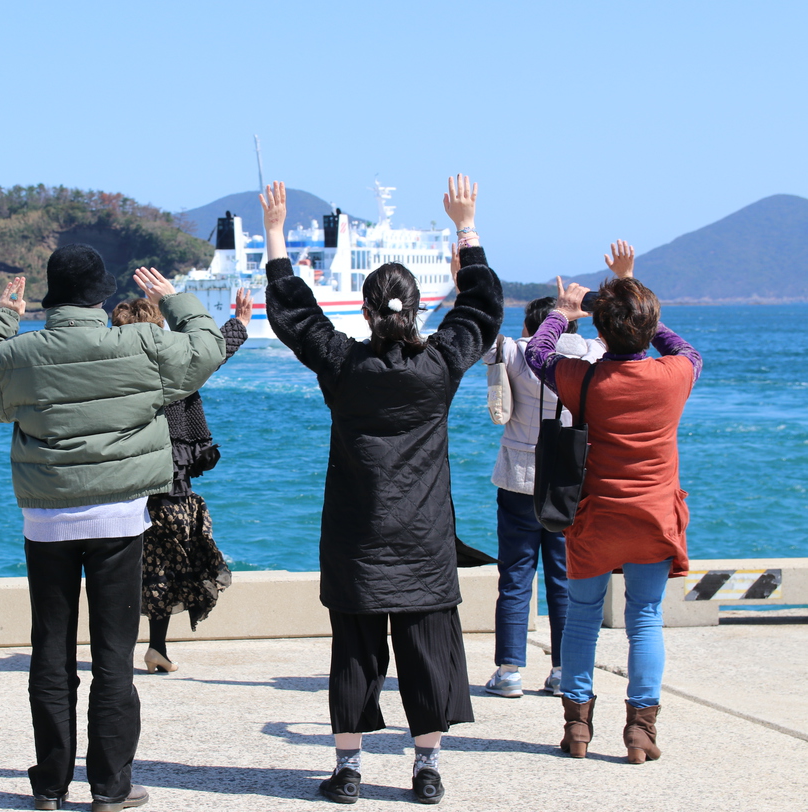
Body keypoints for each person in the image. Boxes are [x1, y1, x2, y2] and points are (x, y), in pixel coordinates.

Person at [0, 245, 225, 812]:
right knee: (113, 657)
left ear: (50, 297)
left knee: (50, 653)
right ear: (101, 295)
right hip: (120, 519)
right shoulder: (141, 343)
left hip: (46, 520)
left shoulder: (22, 353)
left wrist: (1, 317)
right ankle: (110, 787)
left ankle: (50, 786)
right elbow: (207, 349)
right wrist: (173, 299)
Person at [262, 177, 503, 805]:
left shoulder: (344, 365)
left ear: (367, 313)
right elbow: (482, 310)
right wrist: (466, 229)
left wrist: (275, 236)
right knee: (427, 652)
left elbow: (296, 316)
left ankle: (348, 770)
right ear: (417, 309)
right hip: (424, 540)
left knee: (354, 654)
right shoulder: (440, 365)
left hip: (357, 540)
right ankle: (427, 769)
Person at [524, 239, 701, 764]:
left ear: (600, 332)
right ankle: (640, 732)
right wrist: (631, 292)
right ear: (647, 326)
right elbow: (682, 348)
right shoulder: (675, 376)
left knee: (581, 617)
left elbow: (537, 353)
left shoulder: (587, 379)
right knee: (645, 618)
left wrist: (562, 312)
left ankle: (577, 728)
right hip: (653, 517)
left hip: (595, 518)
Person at [110, 289, 251, 673]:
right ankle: (156, 647)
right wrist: (239, 324)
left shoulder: (111, 371)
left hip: (123, 483)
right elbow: (211, 354)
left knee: (125, 571)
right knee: (166, 568)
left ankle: (124, 652)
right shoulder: (173, 367)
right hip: (170, 484)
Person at [482, 294, 604, 699]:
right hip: (568, 482)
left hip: (518, 480)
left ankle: (509, 671)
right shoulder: (590, 355)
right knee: (564, 578)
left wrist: (466, 285)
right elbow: (618, 337)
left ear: (531, 326)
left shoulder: (516, 352)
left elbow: (482, 335)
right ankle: (562, 670)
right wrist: (587, 303)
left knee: (516, 576)